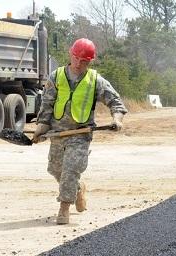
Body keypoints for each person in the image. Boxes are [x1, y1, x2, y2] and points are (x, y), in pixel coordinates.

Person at [32, 38, 127, 224]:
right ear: (70, 54)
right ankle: (78, 190)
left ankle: (64, 208)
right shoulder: (56, 76)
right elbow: (47, 104)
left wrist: (117, 119)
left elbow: (116, 102)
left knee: (70, 169)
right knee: (55, 169)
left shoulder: (95, 80)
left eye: (83, 61)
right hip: (58, 133)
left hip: (81, 134)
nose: (78, 63)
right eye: (76, 58)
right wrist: (41, 128)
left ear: (90, 61)